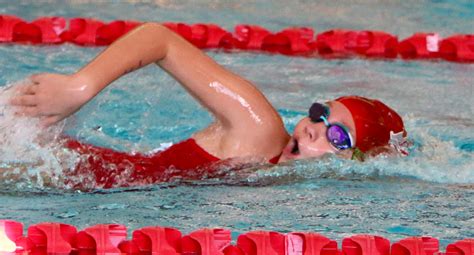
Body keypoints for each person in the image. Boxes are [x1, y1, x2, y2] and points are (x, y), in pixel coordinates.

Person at [9, 23, 407, 189]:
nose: (313, 127)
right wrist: (80, 87)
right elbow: (159, 38)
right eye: (321, 113)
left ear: (356, 161)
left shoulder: (278, 180)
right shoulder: (259, 128)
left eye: (336, 134)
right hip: (54, 162)